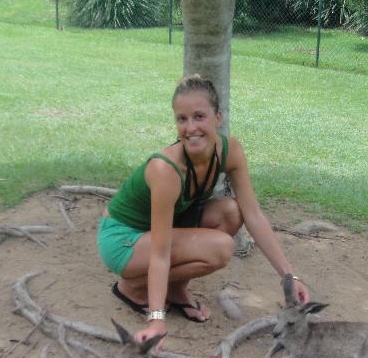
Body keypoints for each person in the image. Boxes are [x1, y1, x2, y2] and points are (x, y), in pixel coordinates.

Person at [98, 74, 309, 343]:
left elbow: (253, 215)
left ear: (217, 116)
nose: (190, 128)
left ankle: (175, 289)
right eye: (182, 119)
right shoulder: (166, 170)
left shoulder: (230, 150)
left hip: (157, 233)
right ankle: (132, 289)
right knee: (220, 248)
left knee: (231, 212)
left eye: (199, 116)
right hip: (122, 239)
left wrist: (290, 278)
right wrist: (156, 321)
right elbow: (161, 254)